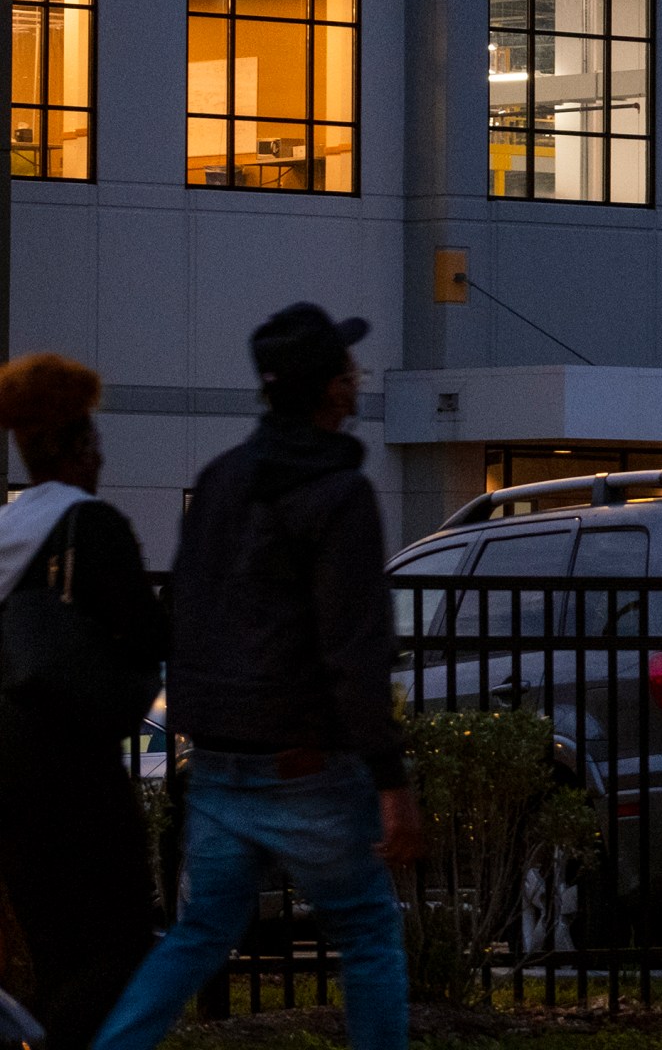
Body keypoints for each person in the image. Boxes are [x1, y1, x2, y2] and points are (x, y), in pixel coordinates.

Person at [95, 306, 423, 1050]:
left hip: (218, 761)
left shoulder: (220, 480)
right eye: (348, 368)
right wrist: (391, 781)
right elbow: (355, 650)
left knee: (197, 935)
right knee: (369, 932)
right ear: (331, 391)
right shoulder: (341, 496)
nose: (357, 377)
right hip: (307, 762)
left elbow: (187, 609)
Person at [0, 354, 169, 1050]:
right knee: (124, 942)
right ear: (73, 449)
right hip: (77, 773)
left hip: (8, 775)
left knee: (57, 946)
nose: (101, 459)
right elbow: (150, 634)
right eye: (95, 445)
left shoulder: (7, 531)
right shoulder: (90, 527)